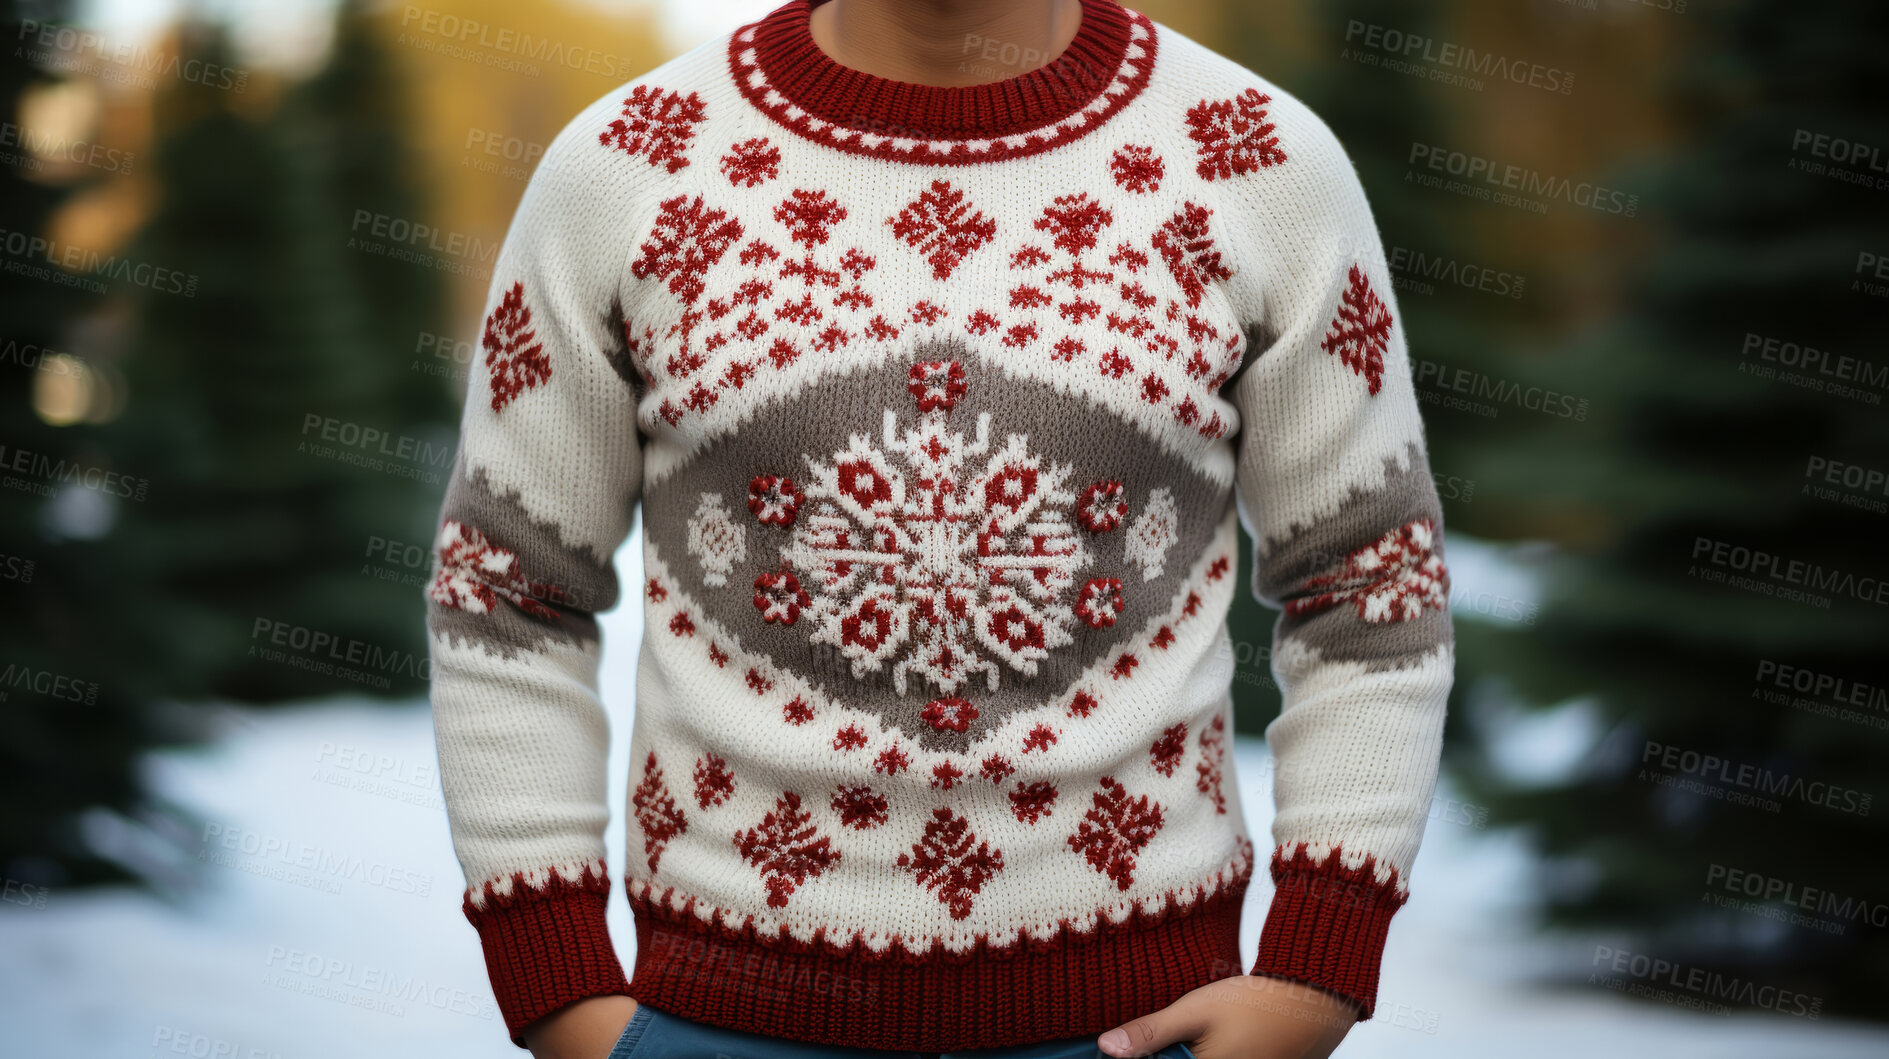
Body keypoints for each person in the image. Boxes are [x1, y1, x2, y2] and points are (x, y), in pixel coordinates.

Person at [422, 1, 1455, 1056]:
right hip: (710, 1021)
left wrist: (1312, 975)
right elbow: (503, 590)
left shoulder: (1256, 161)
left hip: (1142, 1024)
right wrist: (557, 992)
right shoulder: (627, 164)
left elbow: (1370, 581)